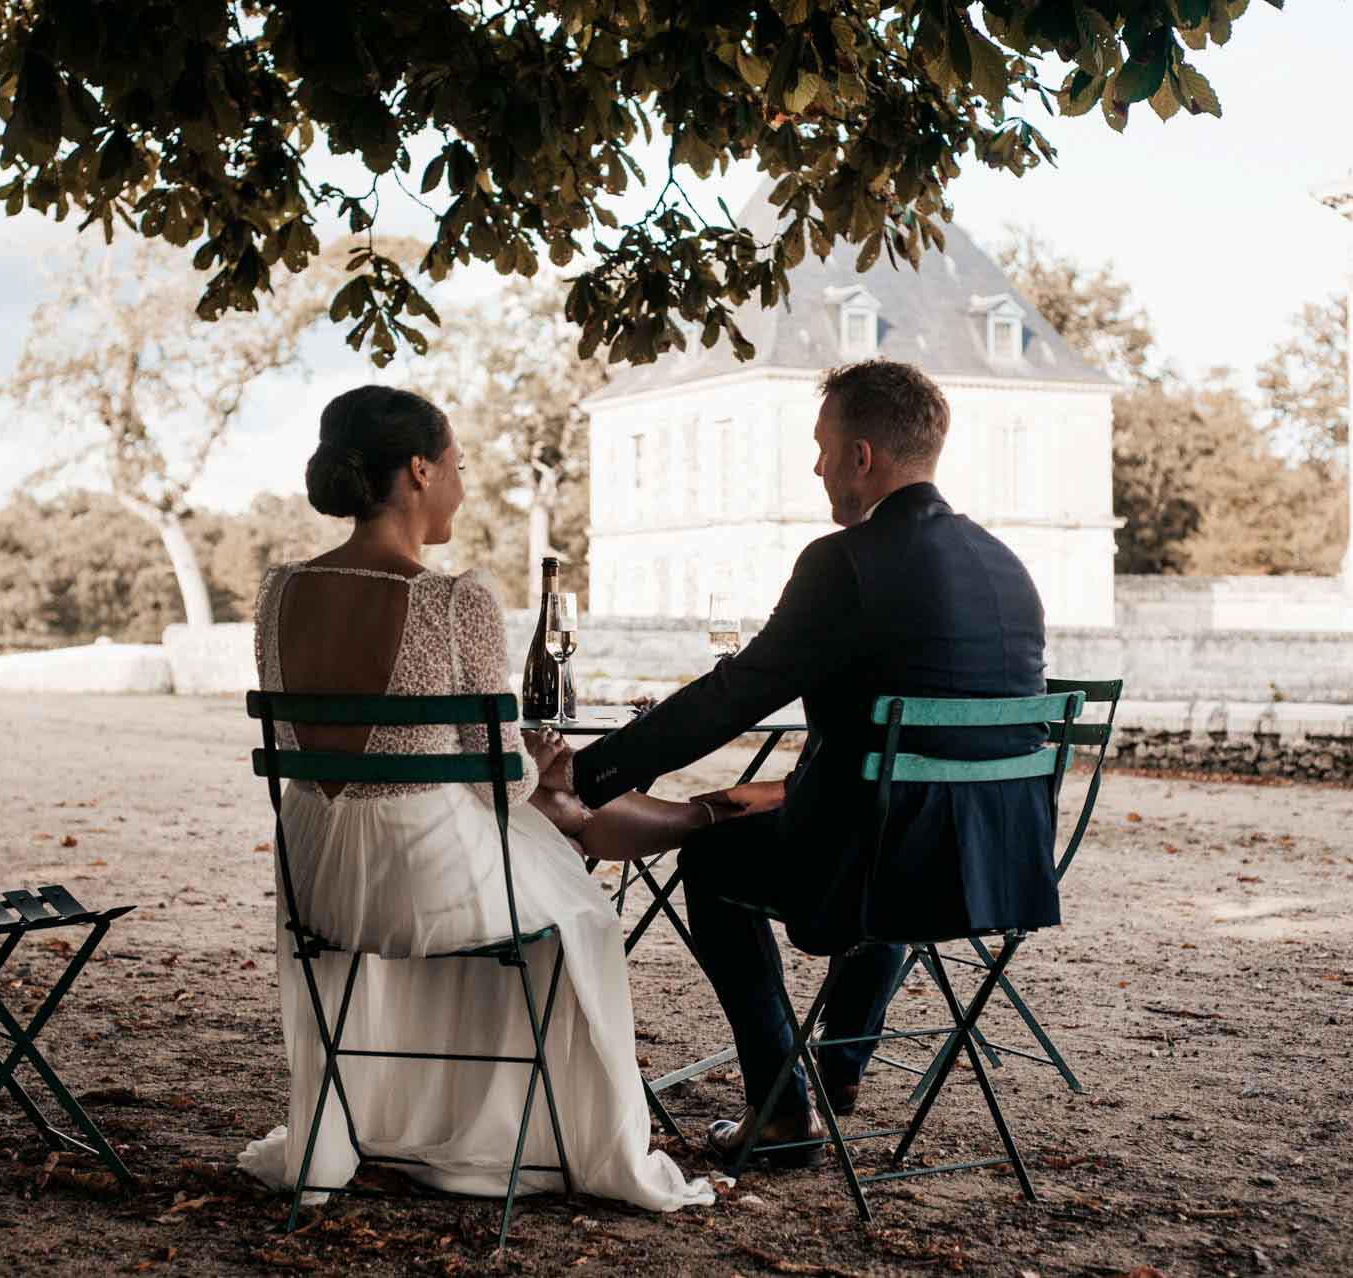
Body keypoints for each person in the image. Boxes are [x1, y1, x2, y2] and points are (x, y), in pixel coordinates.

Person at [563, 359, 1056, 1165]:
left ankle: (783, 1111)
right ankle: (842, 1064)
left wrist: (589, 775)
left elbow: (734, 696)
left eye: (824, 447)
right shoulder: (1009, 567)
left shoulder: (845, 561)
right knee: (868, 817)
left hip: (885, 864)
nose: (817, 465)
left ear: (862, 456)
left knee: (714, 852)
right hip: (1000, 861)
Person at [238, 385, 714, 1212]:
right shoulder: (454, 599)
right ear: (419, 471)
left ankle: (390, 1114)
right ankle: (541, 1135)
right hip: (425, 889)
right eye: (458, 466)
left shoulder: (279, 592)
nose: (462, 483)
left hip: (317, 882)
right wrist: (540, 764)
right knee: (582, 917)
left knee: (526, 854)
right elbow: (501, 777)